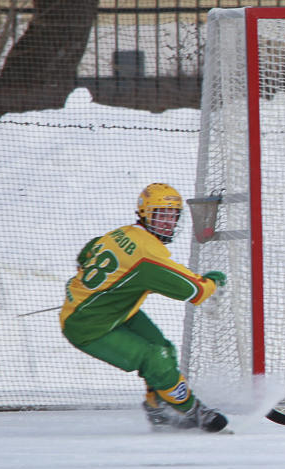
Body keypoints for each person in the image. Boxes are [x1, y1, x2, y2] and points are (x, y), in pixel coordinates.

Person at [61, 184, 229, 432]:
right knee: (155, 359)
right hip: (88, 326)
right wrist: (215, 280)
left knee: (162, 349)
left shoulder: (122, 233)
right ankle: (195, 411)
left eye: (173, 216)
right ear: (144, 213)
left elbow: (86, 254)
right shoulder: (148, 252)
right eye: (161, 215)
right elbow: (196, 291)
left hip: (114, 311)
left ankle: (157, 407)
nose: (168, 223)